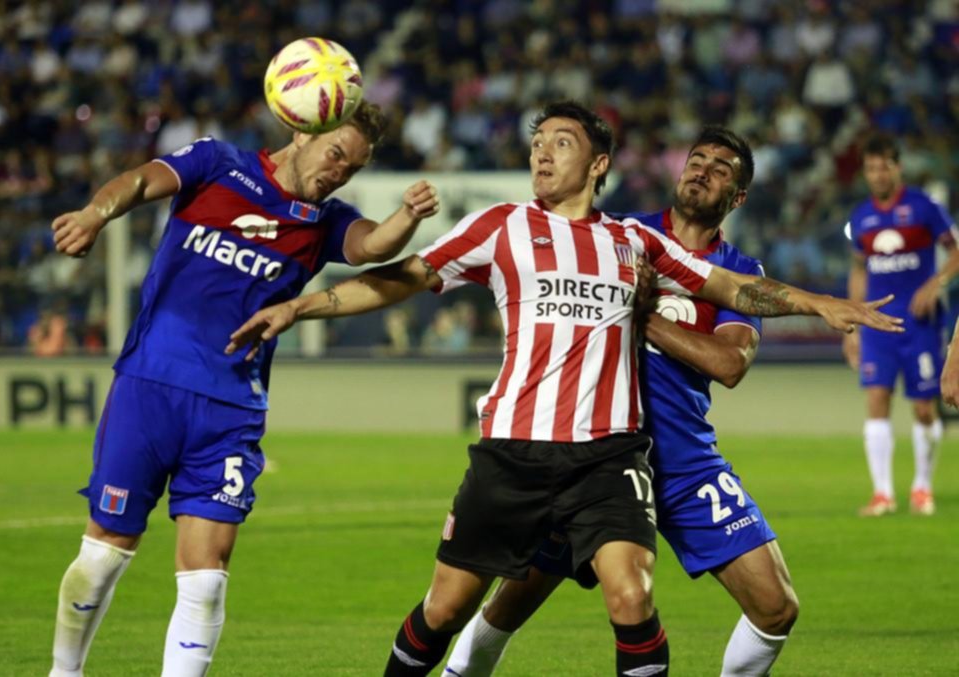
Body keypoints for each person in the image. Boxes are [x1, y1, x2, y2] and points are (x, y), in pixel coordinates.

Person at [225, 101, 901, 677]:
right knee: (455, 607)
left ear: (598, 164)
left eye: (561, 143)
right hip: (517, 455)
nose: (542, 155)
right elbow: (404, 278)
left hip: (618, 457)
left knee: (640, 596)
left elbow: (733, 309)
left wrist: (820, 303)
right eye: (537, 144)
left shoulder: (633, 243)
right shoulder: (506, 226)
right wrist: (301, 305)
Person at [48, 101, 441, 677]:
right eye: (335, 155)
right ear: (301, 130)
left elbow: (373, 248)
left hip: (232, 408)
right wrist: (94, 213)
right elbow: (138, 181)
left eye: (351, 169)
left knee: (206, 576)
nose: (339, 172)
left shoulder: (325, 220)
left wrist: (408, 215)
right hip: (150, 385)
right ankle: (64, 672)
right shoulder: (216, 163)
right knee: (105, 549)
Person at [441, 127, 799, 677]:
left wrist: (642, 315)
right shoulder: (622, 235)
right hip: (592, 453)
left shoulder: (738, 272)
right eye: (696, 160)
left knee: (776, 606)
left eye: (721, 168)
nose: (702, 170)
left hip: (681, 461)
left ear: (739, 196)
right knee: (509, 602)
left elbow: (729, 365)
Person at [843, 133, 959, 517]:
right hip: (878, 325)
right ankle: (882, 494)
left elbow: (956, 253)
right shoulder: (861, 217)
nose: (877, 175)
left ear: (897, 167)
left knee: (925, 407)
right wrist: (853, 323)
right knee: (876, 399)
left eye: (884, 167)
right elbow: (859, 269)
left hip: (921, 324)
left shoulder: (924, 207)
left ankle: (922, 487)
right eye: (871, 168)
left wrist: (935, 283)